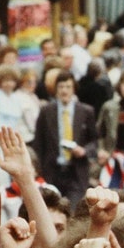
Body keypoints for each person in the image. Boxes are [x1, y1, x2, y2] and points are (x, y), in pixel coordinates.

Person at [32, 73, 99, 205]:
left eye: (68, 86)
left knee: (74, 210)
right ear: (56, 89)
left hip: (76, 172)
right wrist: (39, 170)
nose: (64, 90)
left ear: (73, 89)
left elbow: (94, 142)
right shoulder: (46, 111)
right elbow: (38, 143)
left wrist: (84, 151)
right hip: (52, 171)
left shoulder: (86, 111)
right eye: (61, 86)